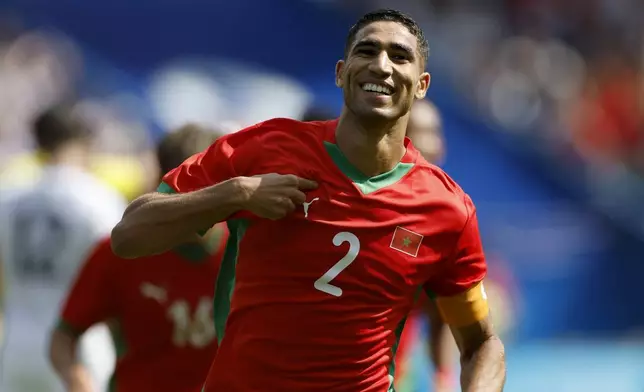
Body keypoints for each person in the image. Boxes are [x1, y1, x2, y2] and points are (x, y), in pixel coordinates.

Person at [111, 9, 506, 392]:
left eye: (399, 56)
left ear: (421, 85)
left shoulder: (447, 209)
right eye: (366, 51)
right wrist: (238, 193)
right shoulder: (264, 148)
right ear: (340, 73)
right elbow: (129, 234)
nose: (382, 66)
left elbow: (482, 343)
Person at [49, 124, 227, 392]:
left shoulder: (248, 250)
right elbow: (63, 337)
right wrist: (78, 381)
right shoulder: (119, 252)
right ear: (161, 181)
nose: (194, 201)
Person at [0, 105, 125, 392]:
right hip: (78, 348)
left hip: (17, 344)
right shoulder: (98, 198)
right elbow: (116, 270)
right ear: (84, 143)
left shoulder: (8, 194)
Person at [395, 99, 454, 392]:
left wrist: (442, 378)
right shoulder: (352, 202)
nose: (423, 142)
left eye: (431, 132)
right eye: (412, 131)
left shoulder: (447, 224)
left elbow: (440, 310)